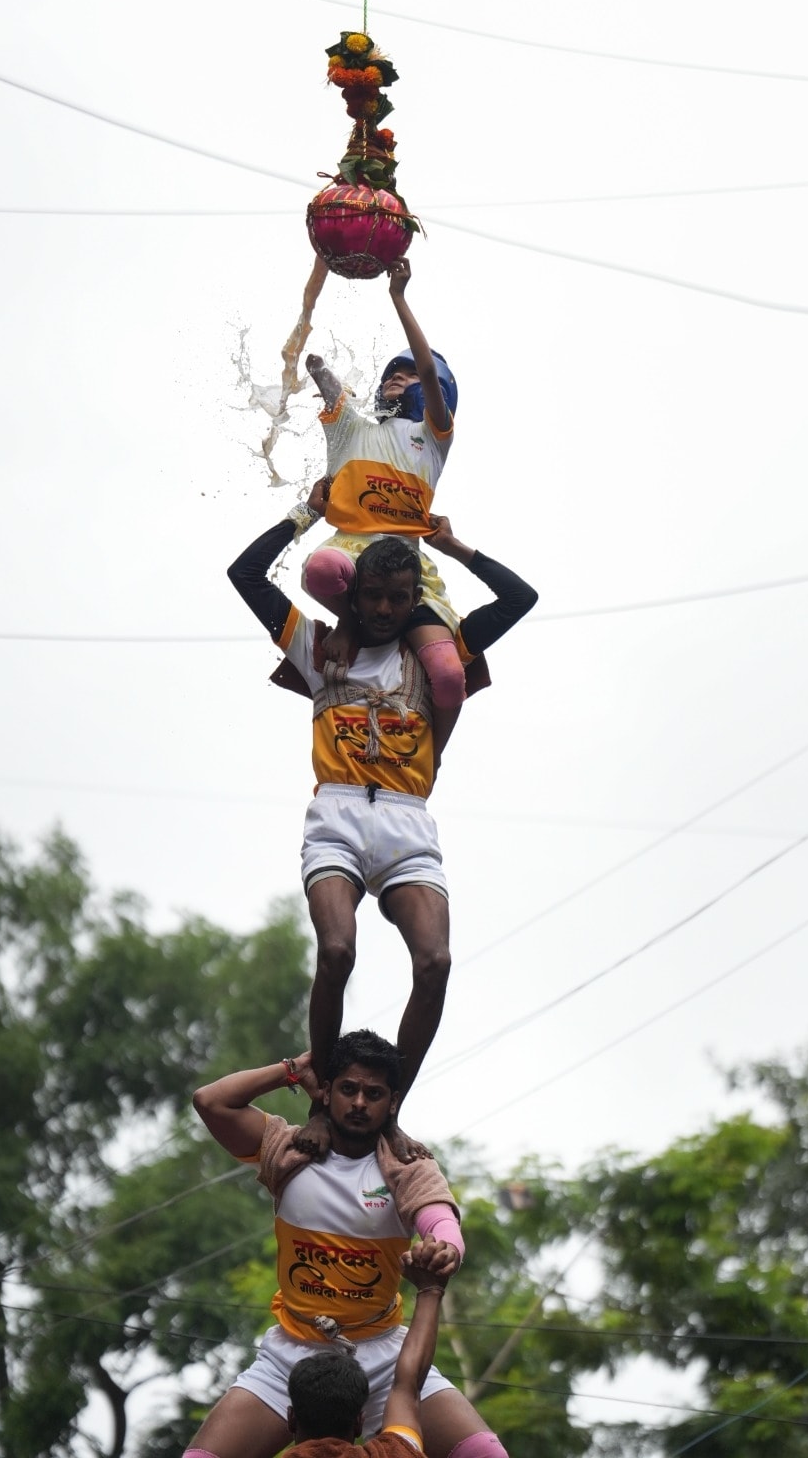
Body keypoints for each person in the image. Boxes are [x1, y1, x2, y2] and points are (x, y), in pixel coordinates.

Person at [227, 485, 537, 1117]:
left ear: (414, 598)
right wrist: (309, 512)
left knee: (435, 961)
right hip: (338, 818)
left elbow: (520, 599)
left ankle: (390, 1107)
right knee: (338, 950)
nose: (387, 609)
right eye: (374, 596)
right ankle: (319, 1098)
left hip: (406, 824)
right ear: (353, 595)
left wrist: (452, 546)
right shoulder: (320, 650)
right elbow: (246, 574)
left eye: (401, 598)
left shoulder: (437, 656)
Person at [183, 1031, 508, 1458]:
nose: (358, 1103)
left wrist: (443, 1249)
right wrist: (291, 1071)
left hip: (383, 1358)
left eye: (373, 1093)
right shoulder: (287, 1150)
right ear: (328, 1091)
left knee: (485, 1454)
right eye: (348, 1089)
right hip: (292, 1356)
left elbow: (442, 1223)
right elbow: (211, 1102)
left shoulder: (409, 1166)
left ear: (392, 1102)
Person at [303, 257, 466, 766]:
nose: (398, 376)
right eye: (392, 372)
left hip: (404, 574)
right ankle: (350, 623)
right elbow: (325, 383)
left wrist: (399, 298)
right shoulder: (353, 430)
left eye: (411, 373)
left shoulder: (431, 439)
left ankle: (431, 760)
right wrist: (317, 367)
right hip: (354, 566)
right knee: (321, 570)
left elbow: (433, 387)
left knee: (448, 676)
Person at [282, 1240, 456, 1456]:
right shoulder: (394, 1453)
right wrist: (431, 1289)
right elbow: (407, 1386)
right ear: (359, 1423)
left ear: (291, 1419)